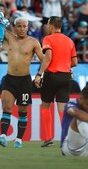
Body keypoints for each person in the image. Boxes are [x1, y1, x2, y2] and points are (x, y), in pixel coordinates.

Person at [0, 17, 44, 148]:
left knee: (22, 111)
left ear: (27, 27)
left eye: (24, 26)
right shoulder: (9, 37)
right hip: (10, 79)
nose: (22, 29)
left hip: (24, 81)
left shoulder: (33, 42)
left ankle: (19, 139)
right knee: (6, 108)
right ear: (15, 27)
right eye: (20, 26)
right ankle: (3, 136)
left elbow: (43, 59)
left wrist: (41, 74)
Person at [34, 16, 77, 147]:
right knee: (62, 109)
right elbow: (74, 62)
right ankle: (67, 138)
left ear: (51, 26)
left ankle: (48, 139)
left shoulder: (48, 39)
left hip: (51, 76)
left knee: (46, 106)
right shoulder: (69, 41)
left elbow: (48, 57)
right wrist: (66, 66)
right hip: (65, 77)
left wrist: (39, 74)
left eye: (47, 25)